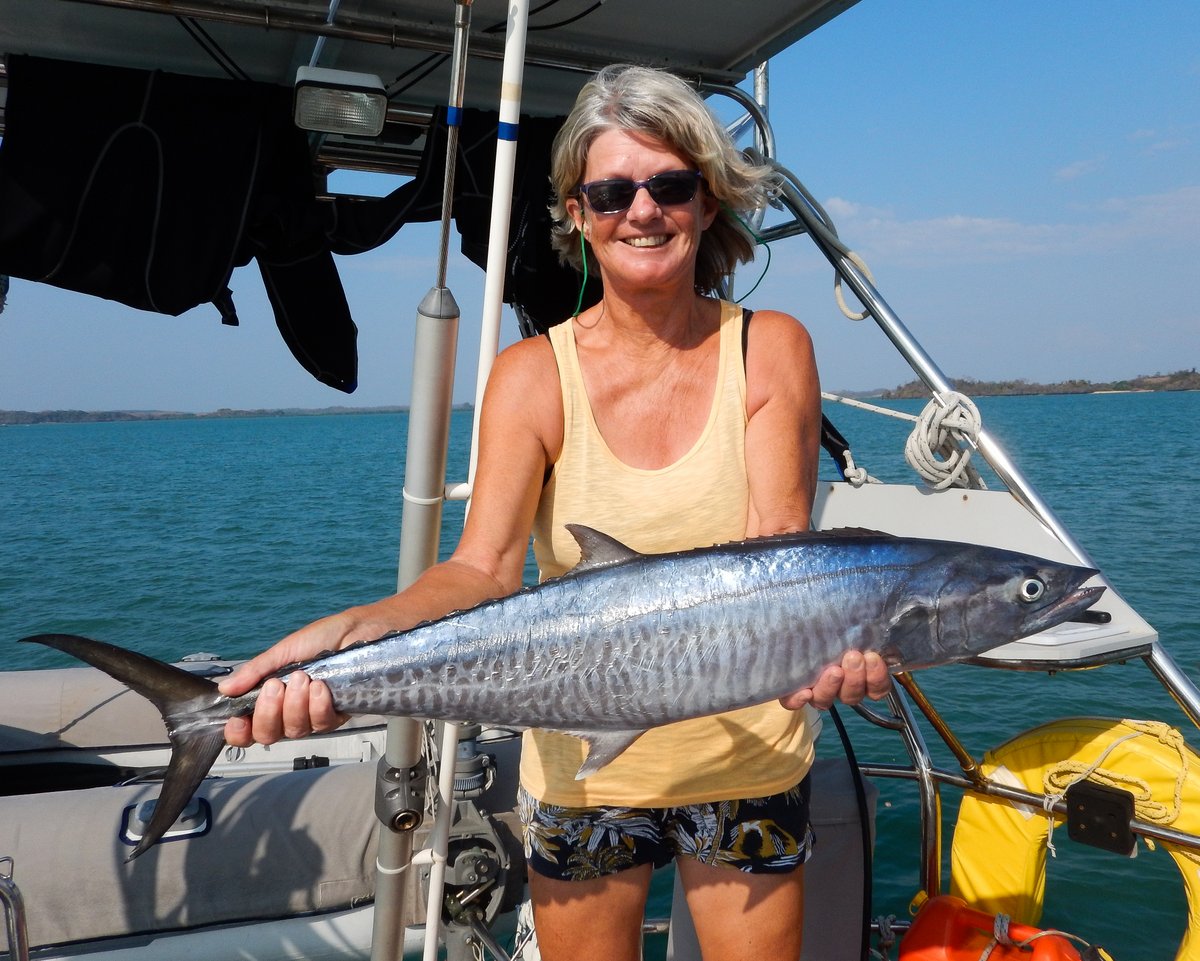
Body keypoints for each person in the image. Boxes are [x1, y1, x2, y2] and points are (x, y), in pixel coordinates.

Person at [219, 63, 891, 961]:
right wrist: (348, 637)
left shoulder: (769, 348)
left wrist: (838, 644)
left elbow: (780, 554)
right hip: (582, 767)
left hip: (746, 761)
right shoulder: (533, 374)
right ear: (576, 213)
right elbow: (482, 569)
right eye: (611, 192)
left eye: (669, 186)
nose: (642, 211)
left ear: (707, 201)